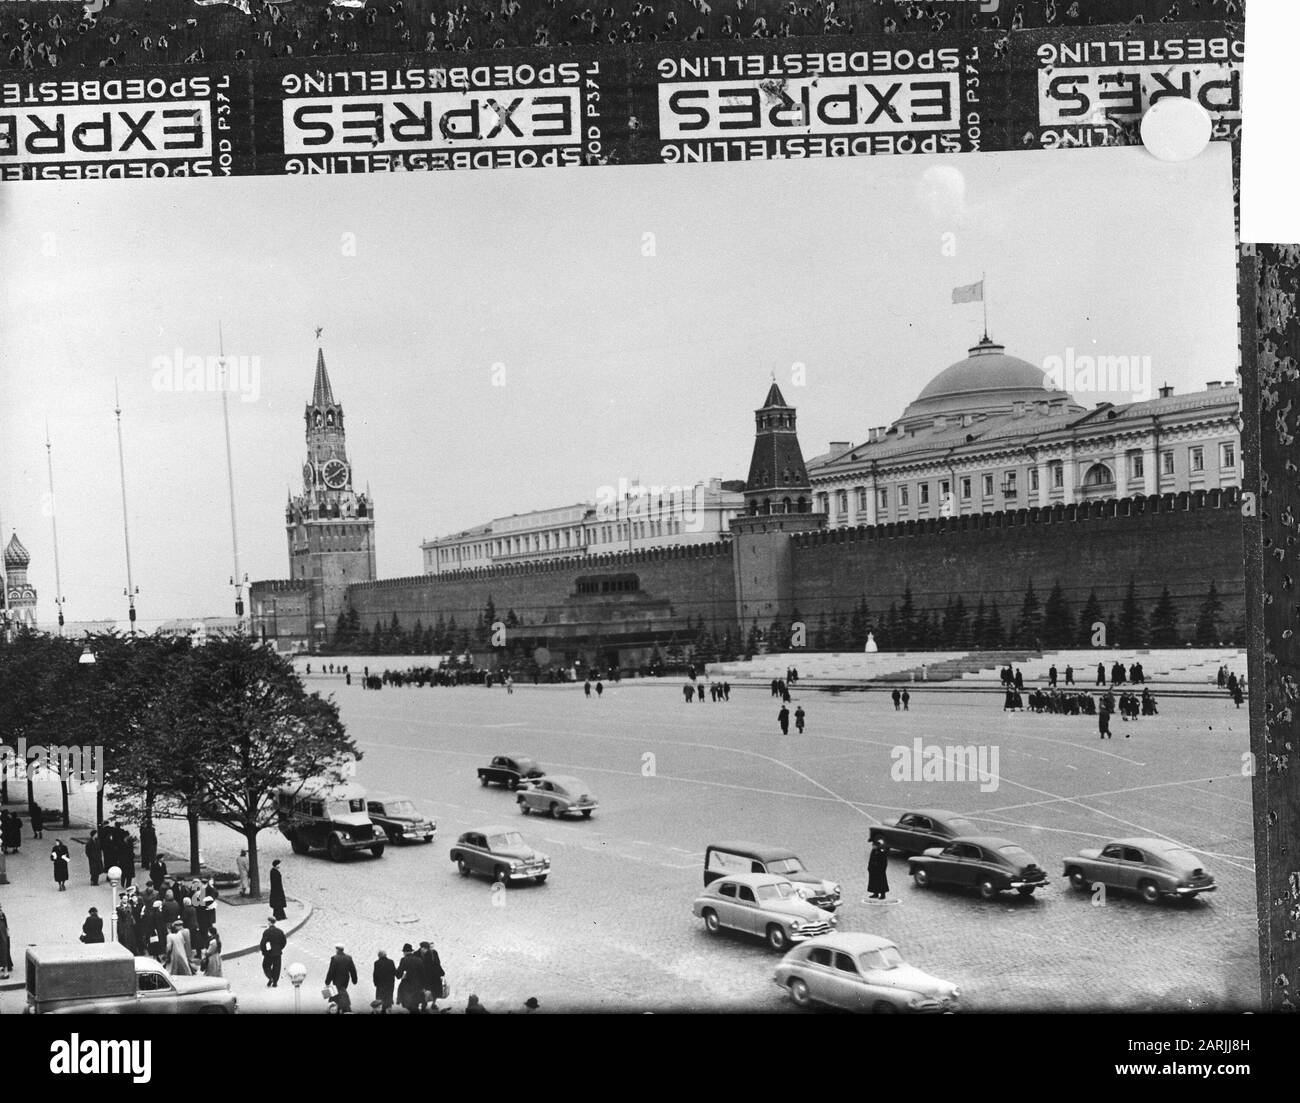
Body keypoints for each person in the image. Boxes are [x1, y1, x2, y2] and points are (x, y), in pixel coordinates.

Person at [325, 943, 358, 1013]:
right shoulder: (349, 958)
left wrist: (327, 982)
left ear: (337, 949)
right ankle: (341, 1008)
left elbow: (331, 971)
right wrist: (354, 980)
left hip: (336, 981)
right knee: (340, 992)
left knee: (337, 994)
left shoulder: (334, 958)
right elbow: (353, 970)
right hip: (345, 981)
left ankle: (337, 1008)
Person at [396, 943, 424, 1013]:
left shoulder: (404, 960)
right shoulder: (419, 960)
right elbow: (423, 974)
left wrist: (399, 974)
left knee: (409, 1006)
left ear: (405, 952)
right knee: (415, 1006)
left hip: (407, 988)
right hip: (418, 987)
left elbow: (398, 975)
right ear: (411, 951)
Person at [420, 940, 446, 1012]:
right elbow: (426, 965)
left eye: (432, 946)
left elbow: (438, 963)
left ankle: (433, 1003)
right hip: (430, 975)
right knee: (428, 990)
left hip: (434, 975)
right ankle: (424, 1005)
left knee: (435, 990)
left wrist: (441, 972)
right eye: (430, 946)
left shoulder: (434, 952)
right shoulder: (426, 954)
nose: (432, 948)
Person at [260, 916, 286, 987]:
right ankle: (275, 982)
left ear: (270, 922)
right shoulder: (280, 931)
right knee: (277, 968)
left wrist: (264, 952)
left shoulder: (266, 932)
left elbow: (263, 943)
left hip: (269, 953)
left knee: (266, 965)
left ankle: (270, 977)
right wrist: (279, 948)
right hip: (277, 953)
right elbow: (284, 942)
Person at [0, 903, 13, 979]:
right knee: (4, 947)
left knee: (2, 948)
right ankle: (7, 967)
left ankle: (5, 973)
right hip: (3, 928)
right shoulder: (2, 914)